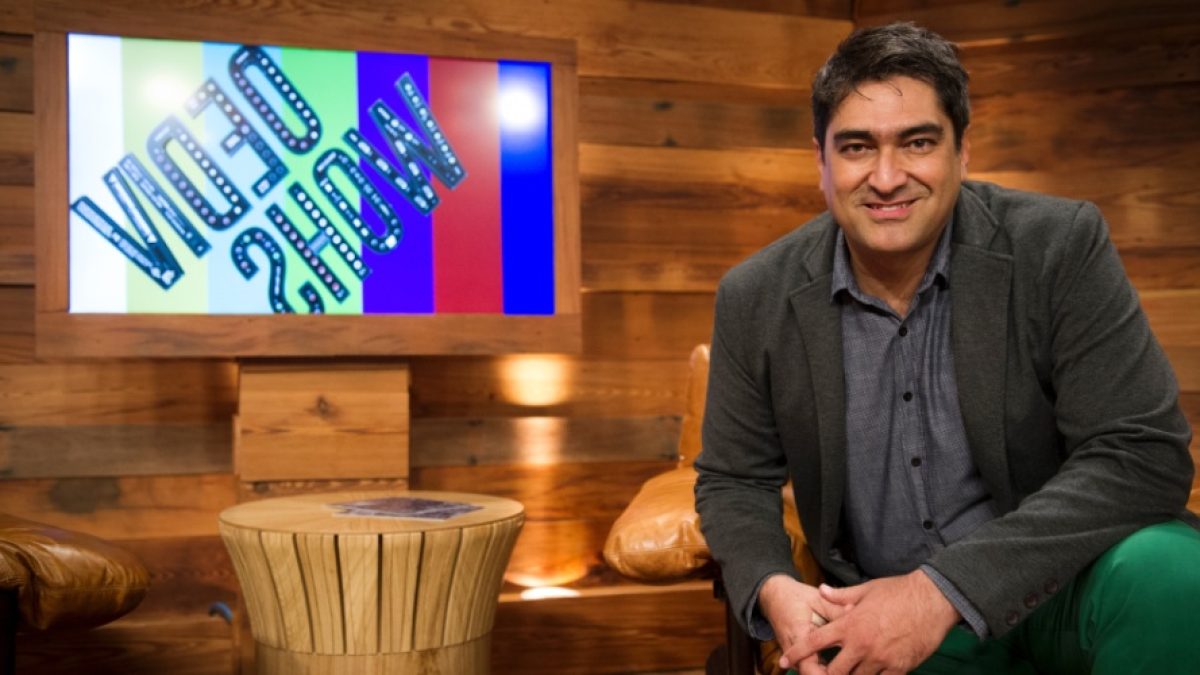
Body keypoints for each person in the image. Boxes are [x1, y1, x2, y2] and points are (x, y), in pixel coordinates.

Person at [693, 21, 1200, 675]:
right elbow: (734, 479)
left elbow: (1142, 452)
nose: (886, 177)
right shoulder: (754, 295)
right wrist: (772, 585)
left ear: (962, 153)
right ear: (821, 162)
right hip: (877, 611)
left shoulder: (1059, 244)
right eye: (856, 147)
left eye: (918, 142)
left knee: (1171, 570)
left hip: (1060, 587)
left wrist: (939, 591)